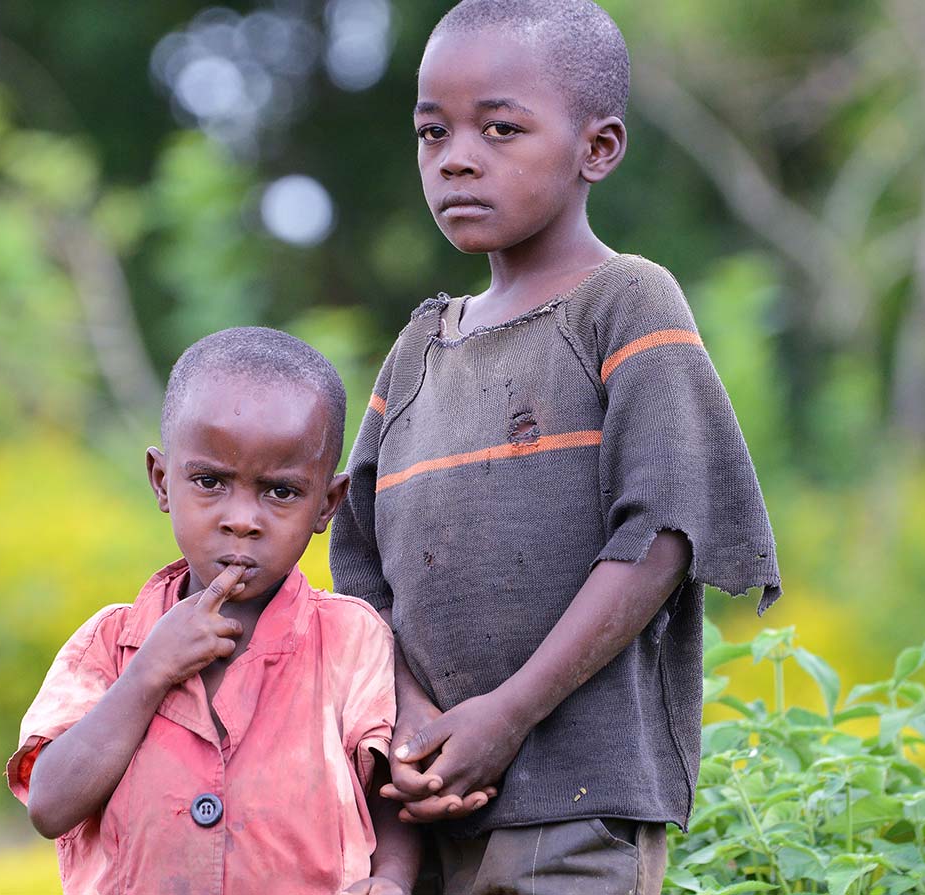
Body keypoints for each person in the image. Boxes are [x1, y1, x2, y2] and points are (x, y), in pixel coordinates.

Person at [329, 1, 782, 893]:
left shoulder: (626, 304)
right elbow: (361, 570)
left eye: (501, 129)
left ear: (598, 148)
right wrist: (411, 721)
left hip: (577, 800)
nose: (457, 156)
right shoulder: (420, 348)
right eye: (433, 131)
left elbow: (660, 538)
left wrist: (506, 713)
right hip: (424, 809)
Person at [7, 327, 419, 895]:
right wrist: (150, 671)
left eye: (280, 492)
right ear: (161, 481)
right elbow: (50, 806)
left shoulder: (350, 640)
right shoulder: (110, 642)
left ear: (327, 504)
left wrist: (392, 880)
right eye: (209, 481)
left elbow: (389, 793)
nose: (242, 518)